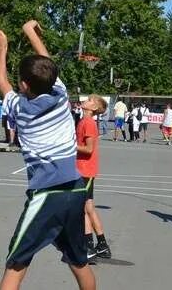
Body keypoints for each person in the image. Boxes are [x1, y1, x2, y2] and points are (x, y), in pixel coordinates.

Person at [0, 20, 95, 290]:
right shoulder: (61, 96)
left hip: (46, 195)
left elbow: (1, 81)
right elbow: (47, 63)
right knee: (79, 263)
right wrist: (28, 32)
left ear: (24, 85)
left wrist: (2, 48)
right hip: (75, 189)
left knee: (16, 264)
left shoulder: (21, 109)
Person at [77, 94, 112, 260]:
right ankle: (102, 245)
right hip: (83, 170)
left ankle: (89, 246)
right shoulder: (83, 121)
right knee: (88, 208)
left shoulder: (89, 123)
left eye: (90, 100)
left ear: (94, 108)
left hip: (85, 171)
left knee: (83, 209)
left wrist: (69, 145)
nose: (86, 100)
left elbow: (89, 149)